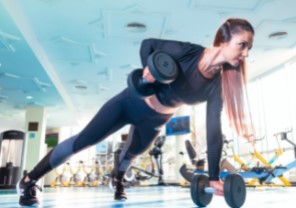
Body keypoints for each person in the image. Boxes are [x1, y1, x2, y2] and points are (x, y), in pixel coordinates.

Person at [17, 17, 255, 206]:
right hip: (129, 102)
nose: (245, 53)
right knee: (84, 141)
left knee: (131, 155)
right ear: (223, 41)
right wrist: (147, 70)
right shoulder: (189, 52)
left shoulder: (217, 87)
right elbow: (148, 44)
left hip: (154, 120)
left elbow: (214, 131)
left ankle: (118, 180)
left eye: (249, 48)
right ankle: (29, 180)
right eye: (242, 45)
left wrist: (214, 177)